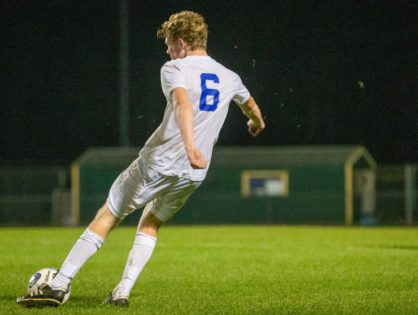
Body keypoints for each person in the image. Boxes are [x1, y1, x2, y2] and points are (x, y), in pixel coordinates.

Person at [16, 10, 265, 308]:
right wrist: (257, 124)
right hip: (193, 174)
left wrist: (189, 145)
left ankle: (57, 285)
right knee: (150, 223)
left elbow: (182, 103)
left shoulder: (175, 68)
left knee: (108, 214)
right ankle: (122, 290)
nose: (168, 51)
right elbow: (250, 105)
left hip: (159, 163)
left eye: (170, 45)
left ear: (182, 42)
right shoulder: (230, 76)